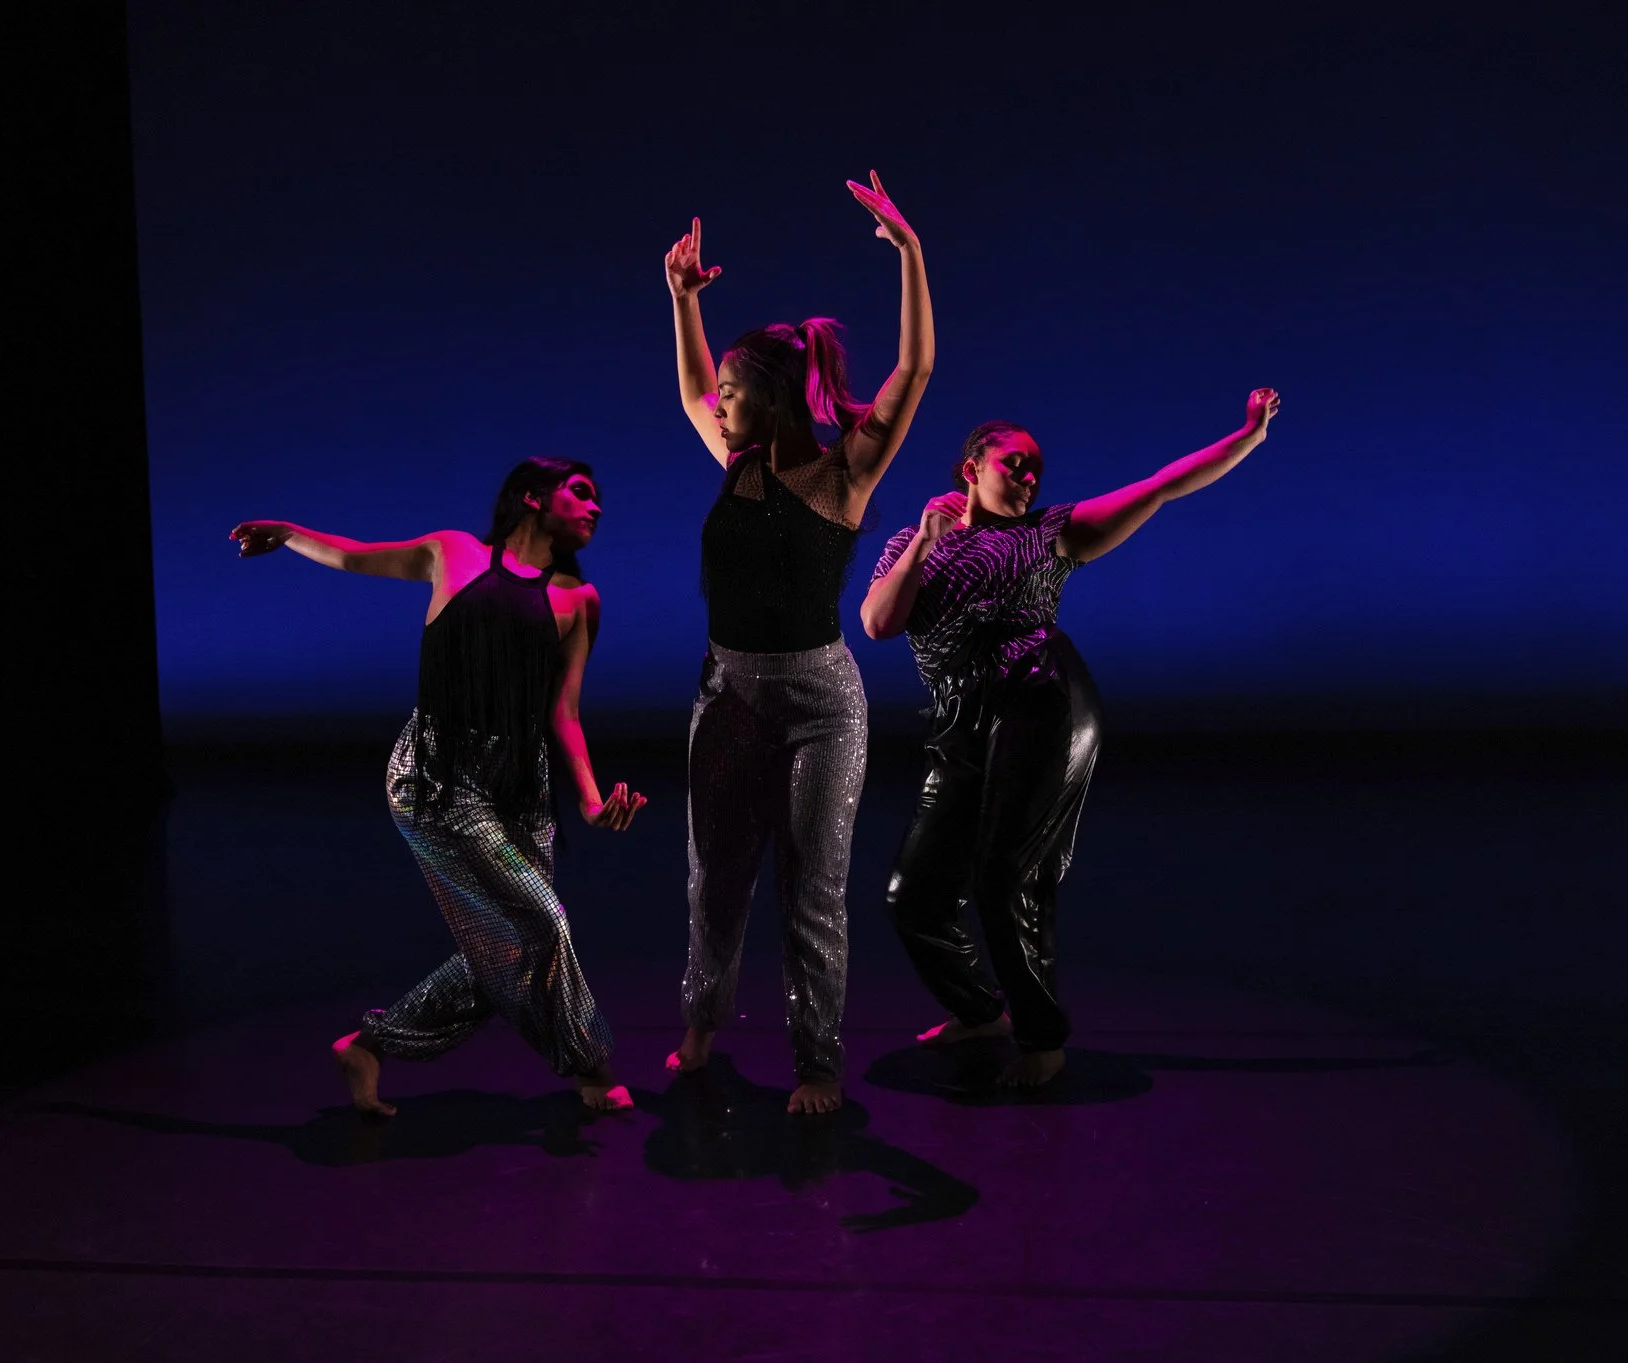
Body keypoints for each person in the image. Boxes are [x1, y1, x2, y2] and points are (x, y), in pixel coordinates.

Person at [861, 389, 1283, 1086]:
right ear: (972, 467)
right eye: (1014, 463)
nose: (1029, 477)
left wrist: (1246, 437)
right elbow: (879, 623)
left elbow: (1161, 486)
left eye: (1036, 469)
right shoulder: (912, 541)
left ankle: (1042, 1040)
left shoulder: (1050, 532)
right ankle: (980, 1010)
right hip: (960, 722)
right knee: (914, 896)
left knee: (1004, 876)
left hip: (1041, 700)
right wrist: (924, 544)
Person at [230, 457, 648, 1115]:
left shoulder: (578, 600)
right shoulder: (455, 554)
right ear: (533, 497)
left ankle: (370, 1045)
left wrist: (592, 800)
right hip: (439, 776)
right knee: (544, 921)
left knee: (513, 945)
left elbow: (563, 711)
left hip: (521, 787)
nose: (595, 506)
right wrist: (288, 533)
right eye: (580, 492)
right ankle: (591, 1065)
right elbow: (354, 556)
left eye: (598, 498)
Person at [660, 172, 935, 1114]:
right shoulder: (734, 463)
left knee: (812, 886)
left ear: (773, 400)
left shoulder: (843, 474)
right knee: (715, 872)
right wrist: (683, 300)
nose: (719, 403)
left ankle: (818, 1061)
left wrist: (909, 253)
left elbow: (913, 375)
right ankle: (703, 1020)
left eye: (736, 393)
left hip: (820, 702)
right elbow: (692, 386)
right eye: (724, 392)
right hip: (728, 692)